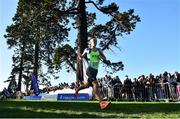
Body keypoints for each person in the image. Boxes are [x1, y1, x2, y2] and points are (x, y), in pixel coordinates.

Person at [75, 37, 111, 110]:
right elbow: (81, 57)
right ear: (90, 42)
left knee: (87, 85)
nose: (94, 42)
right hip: (90, 69)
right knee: (95, 84)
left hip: (95, 71)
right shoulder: (87, 49)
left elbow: (104, 58)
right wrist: (79, 55)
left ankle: (77, 90)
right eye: (93, 41)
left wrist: (103, 59)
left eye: (95, 41)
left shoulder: (99, 50)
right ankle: (102, 103)